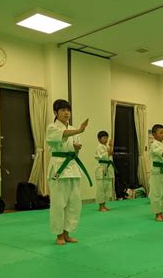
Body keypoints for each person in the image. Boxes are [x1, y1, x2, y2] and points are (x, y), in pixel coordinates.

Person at [46, 99, 90, 245]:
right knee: (59, 203)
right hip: (58, 168)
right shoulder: (52, 127)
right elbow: (62, 135)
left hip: (72, 168)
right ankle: (58, 234)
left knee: (74, 203)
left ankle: (67, 233)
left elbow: (73, 150)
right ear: (55, 112)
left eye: (68, 110)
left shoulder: (73, 129)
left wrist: (76, 149)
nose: (66, 113)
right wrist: (79, 130)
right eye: (63, 110)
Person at [94, 131, 114, 212]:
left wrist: (110, 146)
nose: (105, 139)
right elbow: (105, 156)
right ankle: (100, 206)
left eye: (106, 137)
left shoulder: (105, 147)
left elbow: (110, 153)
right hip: (101, 168)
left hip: (107, 168)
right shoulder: (99, 147)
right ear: (99, 139)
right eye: (104, 138)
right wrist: (110, 146)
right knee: (101, 188)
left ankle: (104, 205)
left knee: (107, 188)